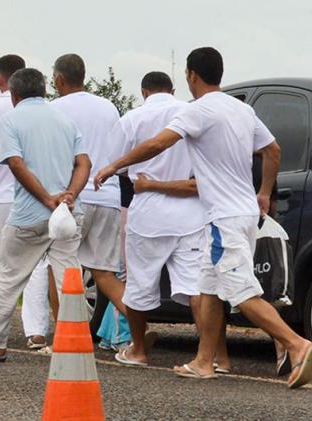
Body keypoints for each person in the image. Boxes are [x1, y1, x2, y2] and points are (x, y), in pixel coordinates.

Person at [94, 47, 312, 389]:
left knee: (241, 292)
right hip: (241, 213)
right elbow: (272, 150)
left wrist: (115, 165)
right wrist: (263, 192)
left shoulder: (198, 111)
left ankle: (297, 344)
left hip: (223, 219)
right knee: (208, 289)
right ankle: (204, 362)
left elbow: (157, 145)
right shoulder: (242, 110)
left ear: (191, 76)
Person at [0, 68, 91, 362]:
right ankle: (77, 344)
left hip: (30, 215)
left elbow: (16, 164)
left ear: (13, 94)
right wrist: (69, 195)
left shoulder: (11, 119)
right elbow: (83, 163)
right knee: (69, 278)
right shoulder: (64, 120)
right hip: (69, 213)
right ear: (44, 90)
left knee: (9, 277)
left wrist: (47, 198)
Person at [107, 71, 229, 369]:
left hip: (148, 211)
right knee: (197, 288)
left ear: (144, 92)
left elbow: (116, 165)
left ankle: (138, 350)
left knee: (139, 284)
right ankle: (214, 357)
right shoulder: (192, 113)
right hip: (190, 210)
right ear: (173, 90)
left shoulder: (132, 120)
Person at [0, 54, 50, 349]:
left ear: (0, 79)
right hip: (37, 196)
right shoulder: (46, 109)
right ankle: (36, 331)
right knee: (36, 265)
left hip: (3, 197)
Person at [49, 54, 126, 318]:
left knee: (60, 266)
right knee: (104, 273)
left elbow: (57, 156)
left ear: (59, 79)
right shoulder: (108, 107)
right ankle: (139, 330)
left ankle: (64, 333)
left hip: (73, 198)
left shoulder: (55, 108)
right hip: (109, 196)